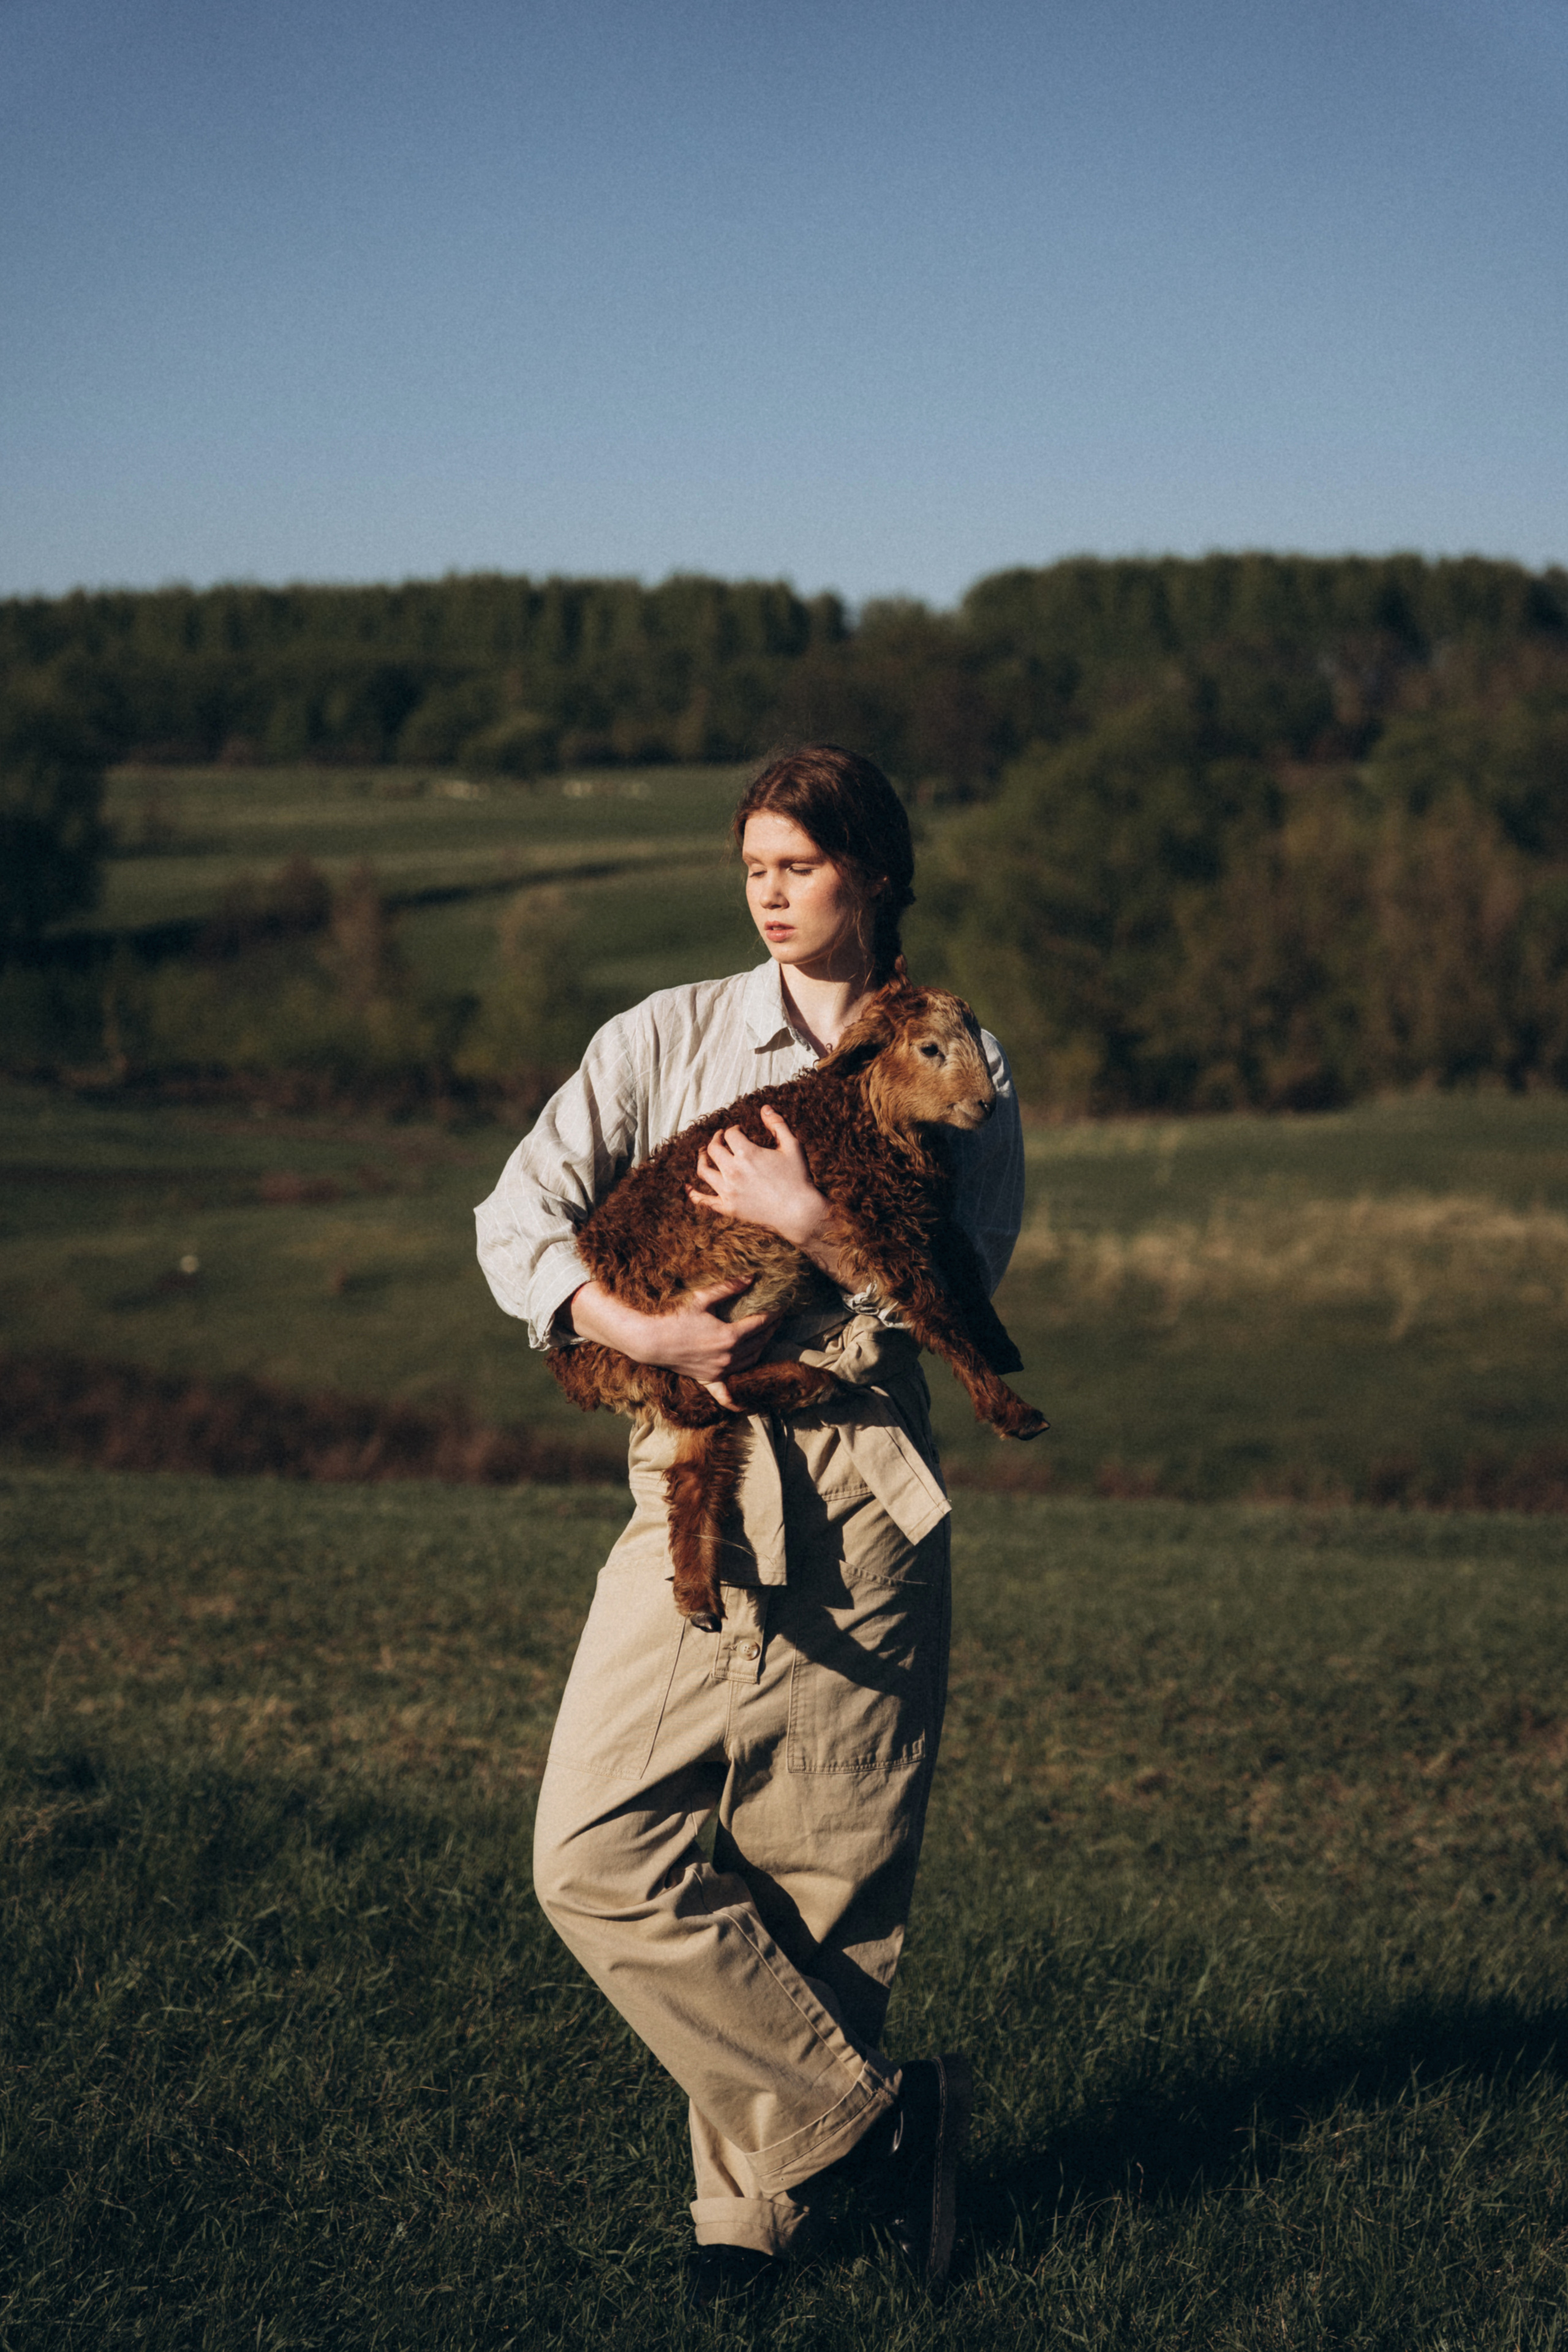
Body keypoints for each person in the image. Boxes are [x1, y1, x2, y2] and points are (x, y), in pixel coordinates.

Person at [474, 745, 1025, 2309]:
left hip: (863, 1489)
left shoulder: (952, 1052)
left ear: (874, 874)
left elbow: (966, 1283)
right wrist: (630, 1335)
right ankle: (880, 2126)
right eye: (753, 867)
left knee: (823, 1862)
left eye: (800, 864)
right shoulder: (666, 1035)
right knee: (590, 1852)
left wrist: (807, 1228)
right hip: (695, 1476)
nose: (770, 893)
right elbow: (512, 1216)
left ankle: (753, 2219)